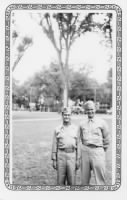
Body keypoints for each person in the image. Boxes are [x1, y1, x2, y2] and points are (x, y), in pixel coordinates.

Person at [79, 100, 110, 185]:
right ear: (86, 111)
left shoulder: (102, 122)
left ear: (95, 109)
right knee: (84, 180)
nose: (90, 111)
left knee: (100, 179)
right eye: (88, 109)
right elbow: (81, 138)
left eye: (92, 109)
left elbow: (106, 138)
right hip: (85, 152)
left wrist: (101, 150)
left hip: (97, 151)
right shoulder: (82, 124)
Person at [51, 107, 80, 185]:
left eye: (68, 115)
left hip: (72, 155)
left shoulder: (76, 129)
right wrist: (54, 159)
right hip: (61, 156)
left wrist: (78, 159)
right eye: (65, 115)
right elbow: (54, 144)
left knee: (72, 180)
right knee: (60, 180)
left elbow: (78, 145)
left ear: (71, 116)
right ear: (62, 115)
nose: (67, 117)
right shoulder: (57, 129)